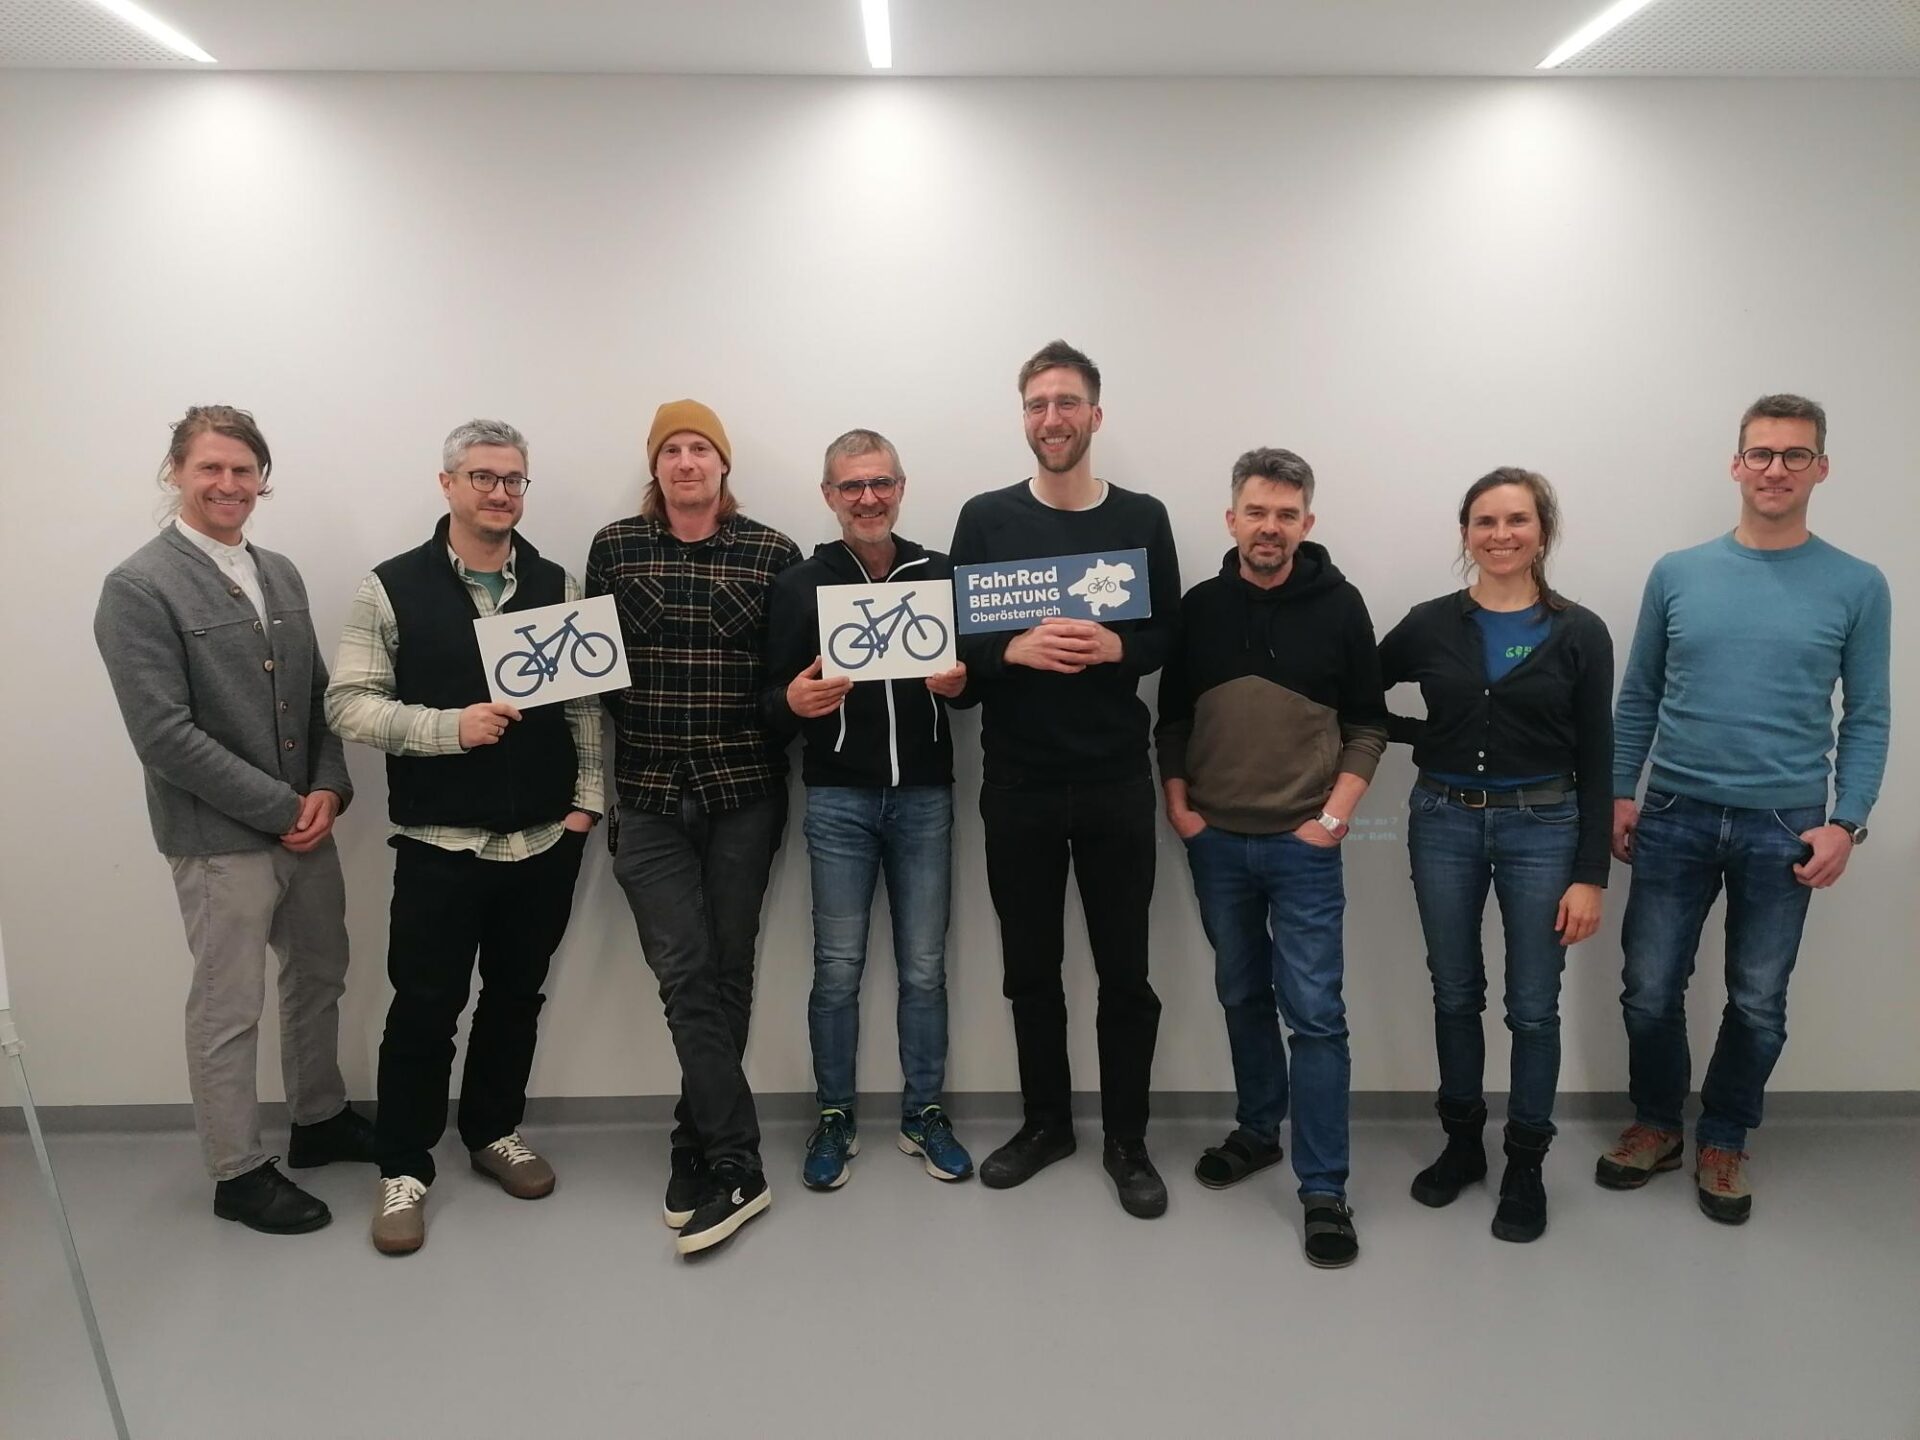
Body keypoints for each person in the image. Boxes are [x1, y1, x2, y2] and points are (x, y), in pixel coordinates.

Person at [1602, 394, 1890, 1223]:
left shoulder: (1858, 585)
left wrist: (1848, 821)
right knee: (1648, 989)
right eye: (1761, 453)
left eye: (1795, 455)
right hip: (1675, 811)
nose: (1775, 469)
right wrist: (1621, 791)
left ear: (1821, 468)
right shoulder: (1677, 573)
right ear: (1737, 464)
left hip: (1785, 825)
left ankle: (1724, 1136)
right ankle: (1658, 1125)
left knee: (1758, 1000)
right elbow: (1639, 694)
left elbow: (1868, 714)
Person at [95, 405, 373, 1235]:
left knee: (319, 976)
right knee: (228, 1008)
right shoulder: (139, 587)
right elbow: (164, 736)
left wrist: (329, 790)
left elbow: (319, 696)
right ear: (175, 472)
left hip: (307, 828)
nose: (228, 483)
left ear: (262, 480)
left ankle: (318, 1119)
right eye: (210, 467)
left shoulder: (279, 573)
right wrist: (281, 807)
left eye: (243, 469)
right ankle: (237, 1171)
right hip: (220, 840)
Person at [327, 418, 602, 1255]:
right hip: (438, 843)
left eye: (513, 479)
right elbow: (348, 704)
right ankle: (404, 1168)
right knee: (424, 1009)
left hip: (543, 842)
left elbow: (585, 703)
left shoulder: (558, 582)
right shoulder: (390, 587)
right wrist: (451, 728)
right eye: (483, 477)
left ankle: (492, 1132)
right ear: (447, 483)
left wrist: (584, 807)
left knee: (516, 1000)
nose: (499, 493)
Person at [949, 340, 1181, 1219]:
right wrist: (1010, 650)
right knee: (1029, 973)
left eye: (1068, 402)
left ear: (1095, 415)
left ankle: (1127, 1141)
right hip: (1019, 784)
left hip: (1116, 780)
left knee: (1127, 975)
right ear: (1025, 418)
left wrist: (1120, 645)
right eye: (1038, 404)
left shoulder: (1143, 517)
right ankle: (1046, 1125)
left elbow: (1169, 636)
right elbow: (959, 651)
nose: (1053, 418)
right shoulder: (986, 518)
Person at [1156, 447, 1387, 1267]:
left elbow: (1368, 723)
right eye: (1256, 511)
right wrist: (1181, 808)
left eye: (1286, 514)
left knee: (1315, 1015)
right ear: (1232, 519)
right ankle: (1259, 1130)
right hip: (1216, 843)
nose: (1270, 526)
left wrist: (1333, 818)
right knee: (1242, 993)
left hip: (1302, 846)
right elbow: (1172, 718)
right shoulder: (1199, 607)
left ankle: (1323, 1187)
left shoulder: (1341, 605)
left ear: (1306, 523)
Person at [1377, 467, 1613, 1243]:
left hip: (1544, 829)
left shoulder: (1579, 632)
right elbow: (1356, 692)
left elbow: (1598, 755)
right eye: (1486, 521)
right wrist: (1427, 738)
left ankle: (1525, 1163)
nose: (1501, 534)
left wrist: (1590, 875)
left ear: (1542, 532)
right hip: (1442, 821)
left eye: (1517, 520)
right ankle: (1461, 1145)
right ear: (1466, 533)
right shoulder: (1430, 624)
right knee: (1454, 993)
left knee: (1533, 1007)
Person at [587, 400, 800, 1256]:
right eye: (672, 449)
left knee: (727, 972)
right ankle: (740, 1162)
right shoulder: (613, 549)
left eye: (700, 449)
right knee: (684, 973)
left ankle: (695, 1144)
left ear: (723, 465)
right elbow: (595, 673)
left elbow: (783, 683)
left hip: (744, 793)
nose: (686, 462)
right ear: (656, 466)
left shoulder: (773, 553)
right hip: (646, 795)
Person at [763, 428, 974, 1190]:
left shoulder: (941, 574)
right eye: (852, 485)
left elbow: (976, 682)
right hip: (838, 800)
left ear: (901, 488)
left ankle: (924, 1113)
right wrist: (790, 702)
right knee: (838, 968)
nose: (868, 498)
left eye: (881, 482)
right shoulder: (800, 583)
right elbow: (769, 699)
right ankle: (834, 1115)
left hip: (924, 798)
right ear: (829, 495)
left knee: (924, 967)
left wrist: (964, 686)